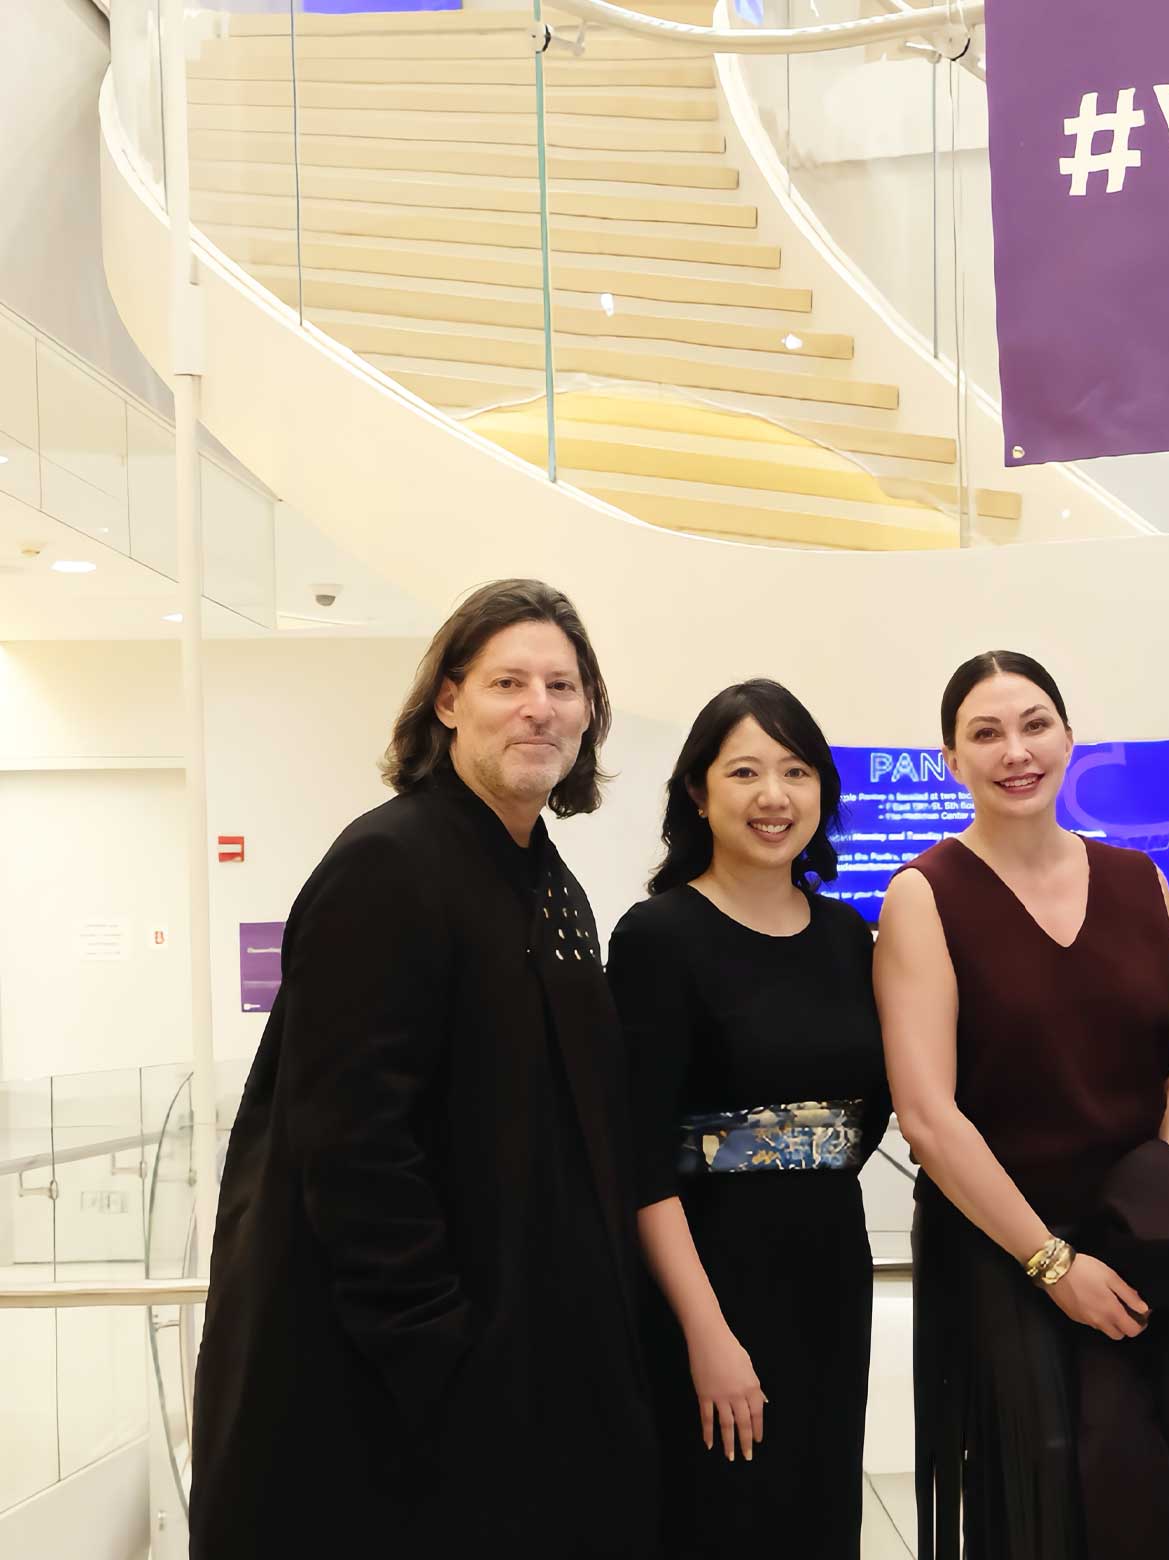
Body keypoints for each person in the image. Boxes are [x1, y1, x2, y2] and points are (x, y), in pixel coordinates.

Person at [190, 580, 656, 1559]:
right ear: (449, 702)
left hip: (520, 1366)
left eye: (563, 686)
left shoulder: (545, 880)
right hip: (401, 1390)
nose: (539, 708)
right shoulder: (389, 863)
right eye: (508, 682)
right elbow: (352, 1144)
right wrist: (439, 1347)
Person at [877, 650, 1169, 1560]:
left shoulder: (1140, 878)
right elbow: (928, 1115)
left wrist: (1166, 1219)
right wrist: (1052, 1263)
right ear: (951, 760)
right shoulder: (925, 894)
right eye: (986, 733)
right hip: (1004, 1246)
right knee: (1051, 1494)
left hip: (1142, 1237)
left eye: (1035, 724)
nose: (1016, 751)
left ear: (1070, 737)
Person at [608, 680, 886, 1558]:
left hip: (830, 1272)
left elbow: (867, 1114)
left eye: (797, 771)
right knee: (723, 1519)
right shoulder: (657, 937)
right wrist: (707, 1333)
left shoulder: (847, 937)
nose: (775, 796)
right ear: (699, 792)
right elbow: (640, 1159)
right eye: (745, 772)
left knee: (819, 1516)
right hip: (712, 1280)